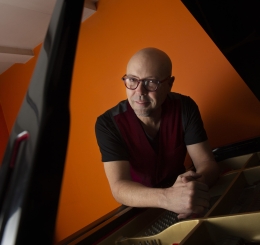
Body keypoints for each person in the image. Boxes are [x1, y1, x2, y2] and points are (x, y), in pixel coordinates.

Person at [95, 47, 219, 219]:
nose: (139, 92)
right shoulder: (107, 123)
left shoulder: (185, 107)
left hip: (184, 193)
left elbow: (206, 162)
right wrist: (169, 198)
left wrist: (191, 190)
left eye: (150, 82)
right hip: (139, 207)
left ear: (169, 84)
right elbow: (119, 187)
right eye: (132, 80)